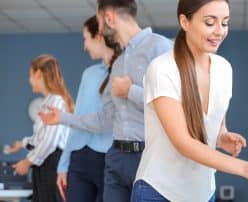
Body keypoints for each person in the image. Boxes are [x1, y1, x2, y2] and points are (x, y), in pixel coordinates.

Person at [131, 0, 248, 202]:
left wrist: (222, 137)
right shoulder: (162, 69)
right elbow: (183, 142)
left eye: (225, 23)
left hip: (202, 192)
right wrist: (243, 168)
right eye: (210, 22)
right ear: (185, 21)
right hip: (159, 191)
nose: (219, 31)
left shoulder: (224, 69)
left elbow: (216, 125)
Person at [39, 1, 172, 202]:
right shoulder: (117, 65)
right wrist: (63, 118)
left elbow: (173, 105)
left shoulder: (160, 47)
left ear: (109, 18)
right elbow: (106, 119)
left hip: (149, 157)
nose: (99, 28)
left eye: (100, 21)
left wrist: (130, 91)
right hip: (116, 158)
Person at [55, 15, 121, 202]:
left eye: (86, 38)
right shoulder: (89, 74)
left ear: (99, 36)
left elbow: (109, 121)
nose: (84, 46)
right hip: (78, 159)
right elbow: (78, 119)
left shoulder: (124, 72)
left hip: (109, 158)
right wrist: (63, 165)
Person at [6, 54, 74, 202]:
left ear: (38, 74)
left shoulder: (56, 101)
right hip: (44, 164)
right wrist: (22, 144)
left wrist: (27, 162)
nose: (29, 80)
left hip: (52, 165)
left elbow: (50, 142)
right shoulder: (48, 101)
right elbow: (41, 138)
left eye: (30, 74)